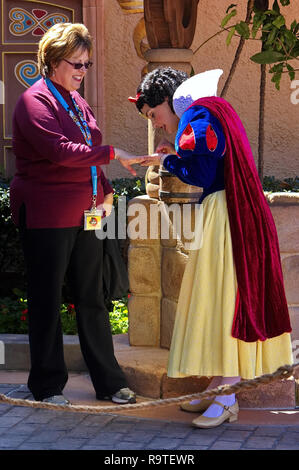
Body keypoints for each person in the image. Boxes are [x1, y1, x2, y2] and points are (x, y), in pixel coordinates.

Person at [129, 67, 293, 428]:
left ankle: (228, 396)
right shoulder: (210, 113)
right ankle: (221, 385)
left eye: (154, 115)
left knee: (224, 302)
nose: (156, 124)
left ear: (169, 103)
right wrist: (171, 156)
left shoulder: (198, 117)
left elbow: (201, 173)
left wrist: (168, 161)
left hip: (227, 214)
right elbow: (208, 162)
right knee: (221, 299)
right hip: (232, 211)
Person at [10, 23, 139, 405]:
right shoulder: (35, 101)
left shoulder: (77, 101)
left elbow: (88, 156)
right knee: (46, 300)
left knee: (92, 298)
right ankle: (48, 387)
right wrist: (115, 154)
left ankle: (110, 383)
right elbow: (62, 151)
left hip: (88, 212)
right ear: (52, 61)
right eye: (76, 63)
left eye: (88, 64)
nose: (83, 70)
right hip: (47, 213)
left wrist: (108, 190)